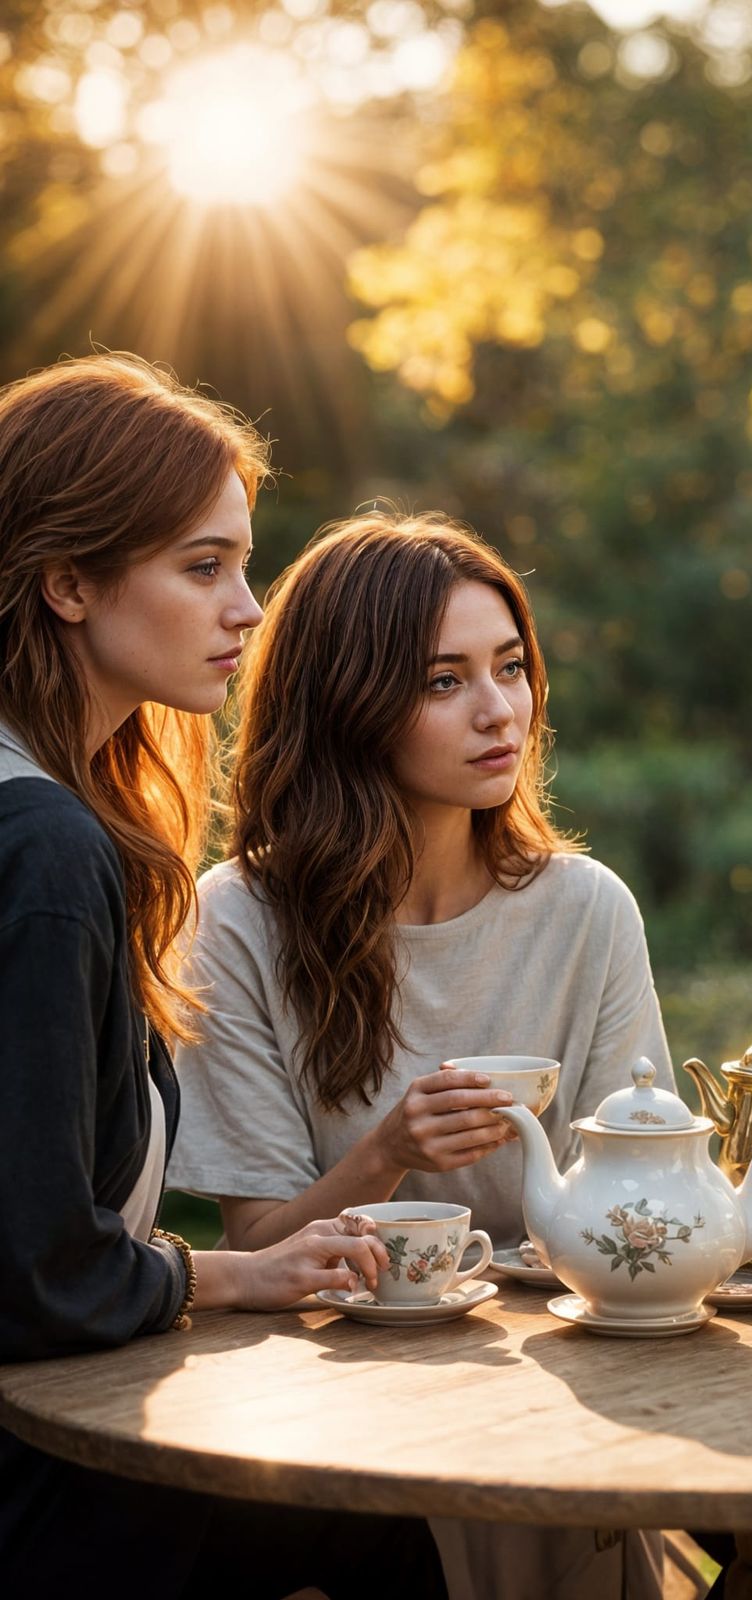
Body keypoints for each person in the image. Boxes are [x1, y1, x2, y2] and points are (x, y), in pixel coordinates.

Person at [0, 353, 445, 1598]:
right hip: (33, 1474)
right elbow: (35, 1269)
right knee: (368, 1521)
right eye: (203, 568)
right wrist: (234, 1271)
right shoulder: (41, 848)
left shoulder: (53, 824)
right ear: (68, 582)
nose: (247, 608)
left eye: (241, 564)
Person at [166, 509, 673, 1600]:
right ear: (349, 701)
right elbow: (261, 1248)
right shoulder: (241, 918)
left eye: (511, 667)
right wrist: (386, 1152)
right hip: (342, 1388)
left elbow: (639, 1193)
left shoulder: (586, 909)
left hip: (554, 1365)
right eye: (443, 681)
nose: (501, 711)